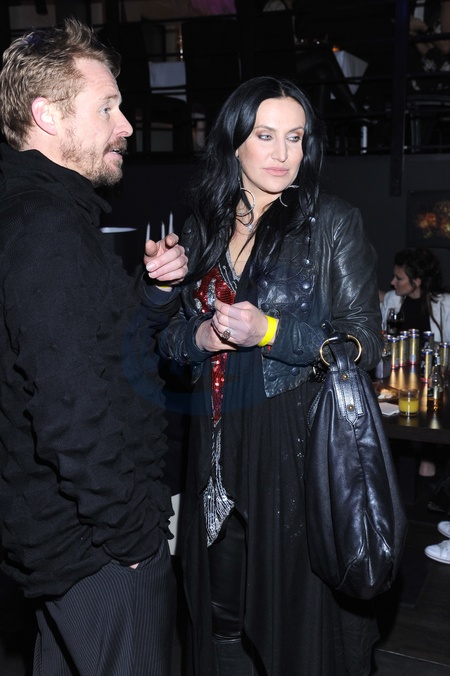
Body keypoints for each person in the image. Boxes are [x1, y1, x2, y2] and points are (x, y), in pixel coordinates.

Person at [148, 75, 383, 675]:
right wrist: (199, 336)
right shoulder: (203, 226)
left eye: (295, 138)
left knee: (296, 632)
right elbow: (170, 345)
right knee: (218, 626)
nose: (283, 153)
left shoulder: (331, 223)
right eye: (266, 136)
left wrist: (273, 332)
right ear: (234, 143)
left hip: (292, 453)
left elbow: (363, 343)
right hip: (212, 453)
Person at [0, 18, 188, 676]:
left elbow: (90, 347)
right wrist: (131, 536)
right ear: (47, 115)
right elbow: (70, 407)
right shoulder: (45, 226)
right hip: (95, 549)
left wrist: (154, 294)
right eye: (107, 107)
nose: (127, 125)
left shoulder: (42, 214)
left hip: (66, 541)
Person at [381, 247, 450, 478]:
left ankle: (427, 456)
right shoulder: (392, 300)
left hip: (432, 379)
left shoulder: (444, 304)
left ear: (417, 281)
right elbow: (384, 339)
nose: (392, 282)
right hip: (398, 377)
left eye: (399, 278)